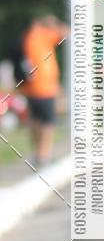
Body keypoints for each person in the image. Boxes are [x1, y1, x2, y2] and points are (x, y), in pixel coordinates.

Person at [21, 15, 69, 167]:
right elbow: (66, 31)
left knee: (35, 120)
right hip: (46, 87)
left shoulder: (29, 37)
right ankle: (43, 154)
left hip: (32, 88)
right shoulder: (43, 35)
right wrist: (54, 23)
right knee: (48, 122)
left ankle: (37, 152)